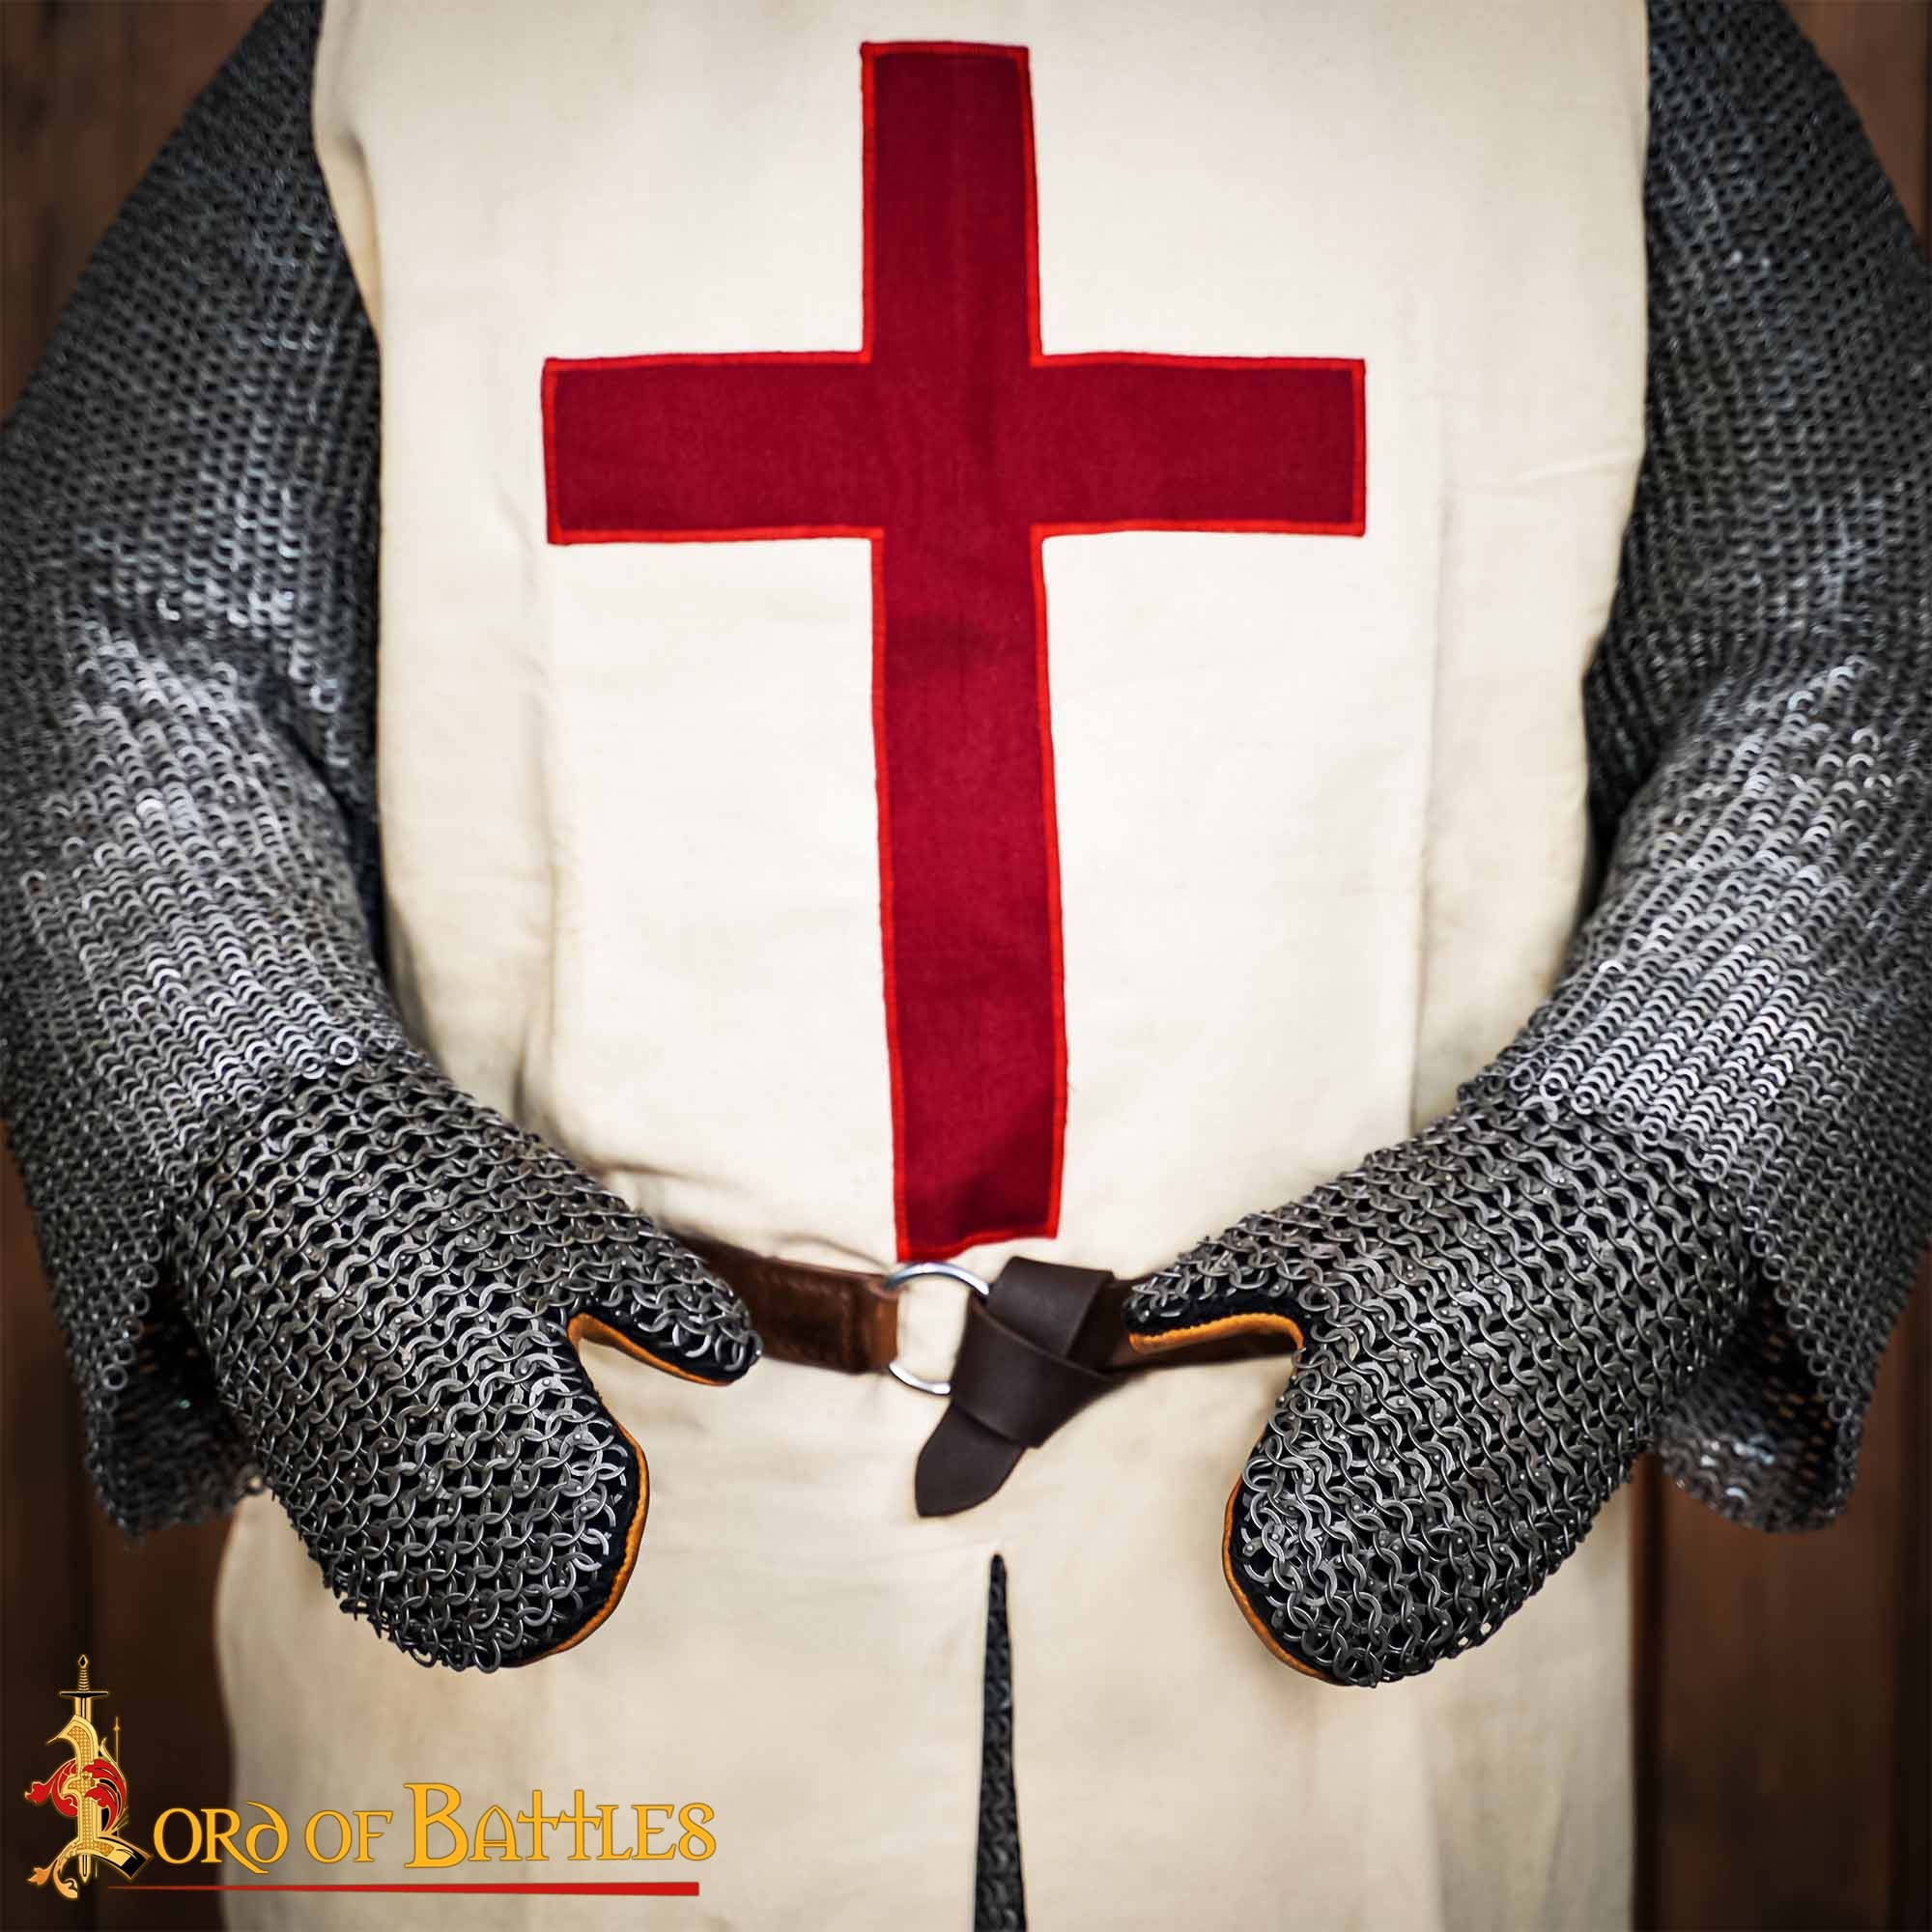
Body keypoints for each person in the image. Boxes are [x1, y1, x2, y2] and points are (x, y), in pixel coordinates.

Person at [3, 0, 1926, 1925]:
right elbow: (133, 650)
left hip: (1360, 1565)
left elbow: (1854, 641)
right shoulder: (423, 36)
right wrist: (299, 1177)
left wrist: (1614, 1196)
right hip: (579, 1534)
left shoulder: (1594, 35)